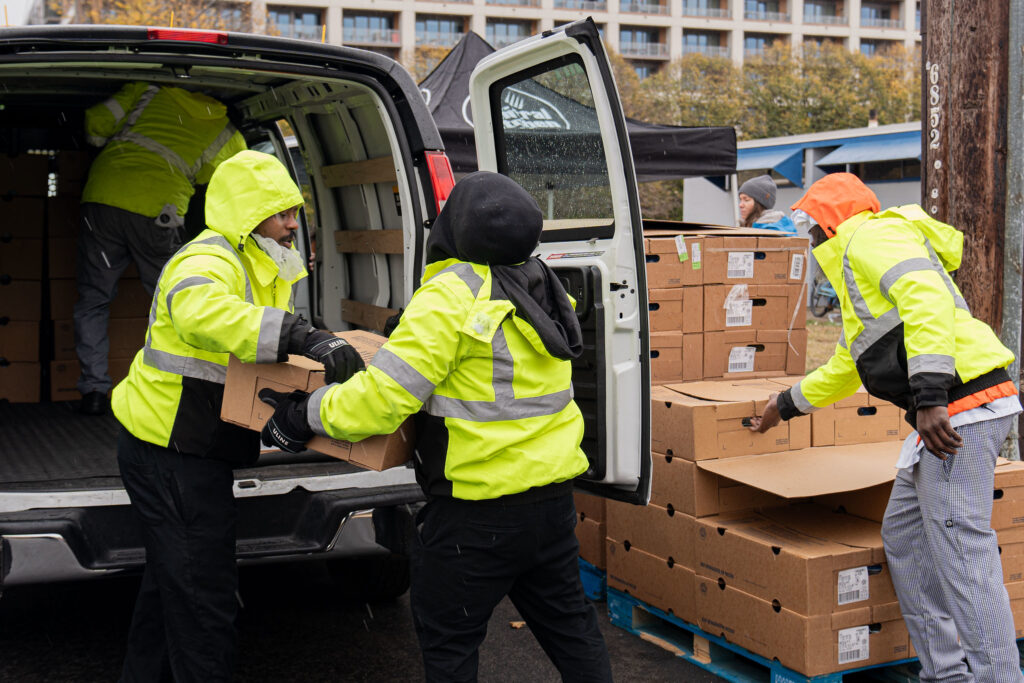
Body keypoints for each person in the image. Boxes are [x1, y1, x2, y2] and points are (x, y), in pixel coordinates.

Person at [259, 171, 613, 682]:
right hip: (552, 504)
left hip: (477, 515)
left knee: (450, 647)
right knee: (573, 632)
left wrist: (302, 414)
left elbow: (378, 405)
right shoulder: (541, 284)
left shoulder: (450, 294)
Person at [750, 172, 1022, 683]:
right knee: (904, 536)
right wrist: (782, 406)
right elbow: (847, 365)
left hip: (959, 406)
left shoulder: (869, 237)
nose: (807, 241)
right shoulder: (855, 272)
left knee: (962, 554)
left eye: (809, 228)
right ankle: (945, 673)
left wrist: (931, 396)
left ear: (828, 223)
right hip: (944, 412)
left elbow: (927, 299)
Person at [110, 150, 364, 682]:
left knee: (172, 586)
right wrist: (301, 334)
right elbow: (205, 313)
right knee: (203, 598)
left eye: (295, 212)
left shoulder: (261, 262)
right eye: (282, 214)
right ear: (249, 215)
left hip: (192, 445)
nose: (294, 223)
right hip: (170, 451)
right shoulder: (207, 260)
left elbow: (254, 353)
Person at [75, 81, 248, 416]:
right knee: (175, 301)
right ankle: (177, 390)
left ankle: (94, 391)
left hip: (103, 198)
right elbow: (217, 183)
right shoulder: (229, 134)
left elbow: (95, 122)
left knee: (93, 300)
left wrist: (101, 146)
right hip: (160, 211)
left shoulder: (148, 91)